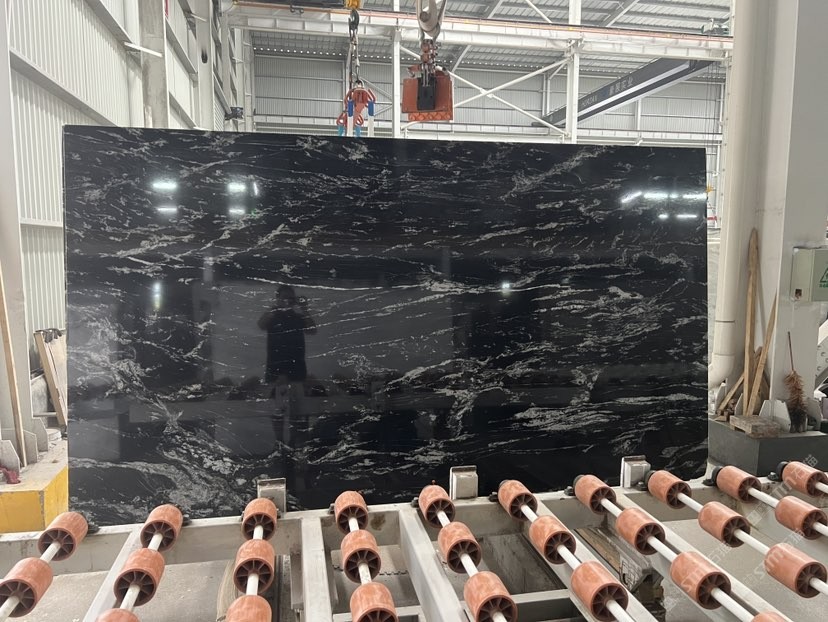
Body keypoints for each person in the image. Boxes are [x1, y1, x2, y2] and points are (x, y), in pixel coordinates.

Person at [258, 285, 317, 382]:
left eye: (290, 298)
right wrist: (275, 308)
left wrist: (304, 308)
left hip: (297, 366)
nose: (287, 300)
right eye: (284, 297)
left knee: (297, 390)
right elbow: (261, 325)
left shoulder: (298, 317)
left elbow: (312, 330)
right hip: (275, 366)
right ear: (278, 298)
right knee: (275, 390)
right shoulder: (272, 316)